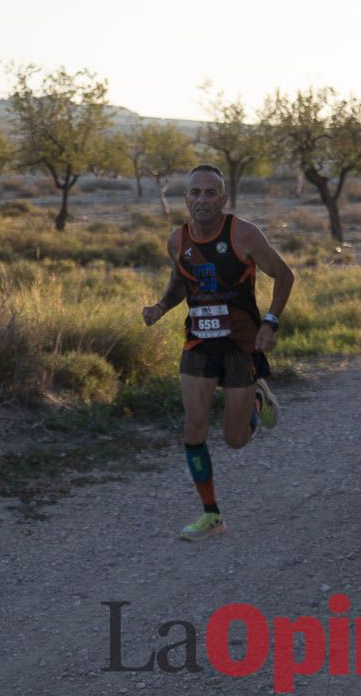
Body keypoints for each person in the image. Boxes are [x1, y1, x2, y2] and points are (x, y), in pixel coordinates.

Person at [142, 164, 295, 541]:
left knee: (235, 440)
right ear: (186, 199)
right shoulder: (176, 240)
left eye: (211, 193)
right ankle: (211, 514)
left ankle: (256, 402)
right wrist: (161, 307)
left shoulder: (243, 234)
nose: (202, 200)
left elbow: (284, 275)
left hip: (241, 346)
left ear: (224, 199)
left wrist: (270, 322)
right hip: (198, 343)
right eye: (195, 193)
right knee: (193, 426)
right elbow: (181, 280)